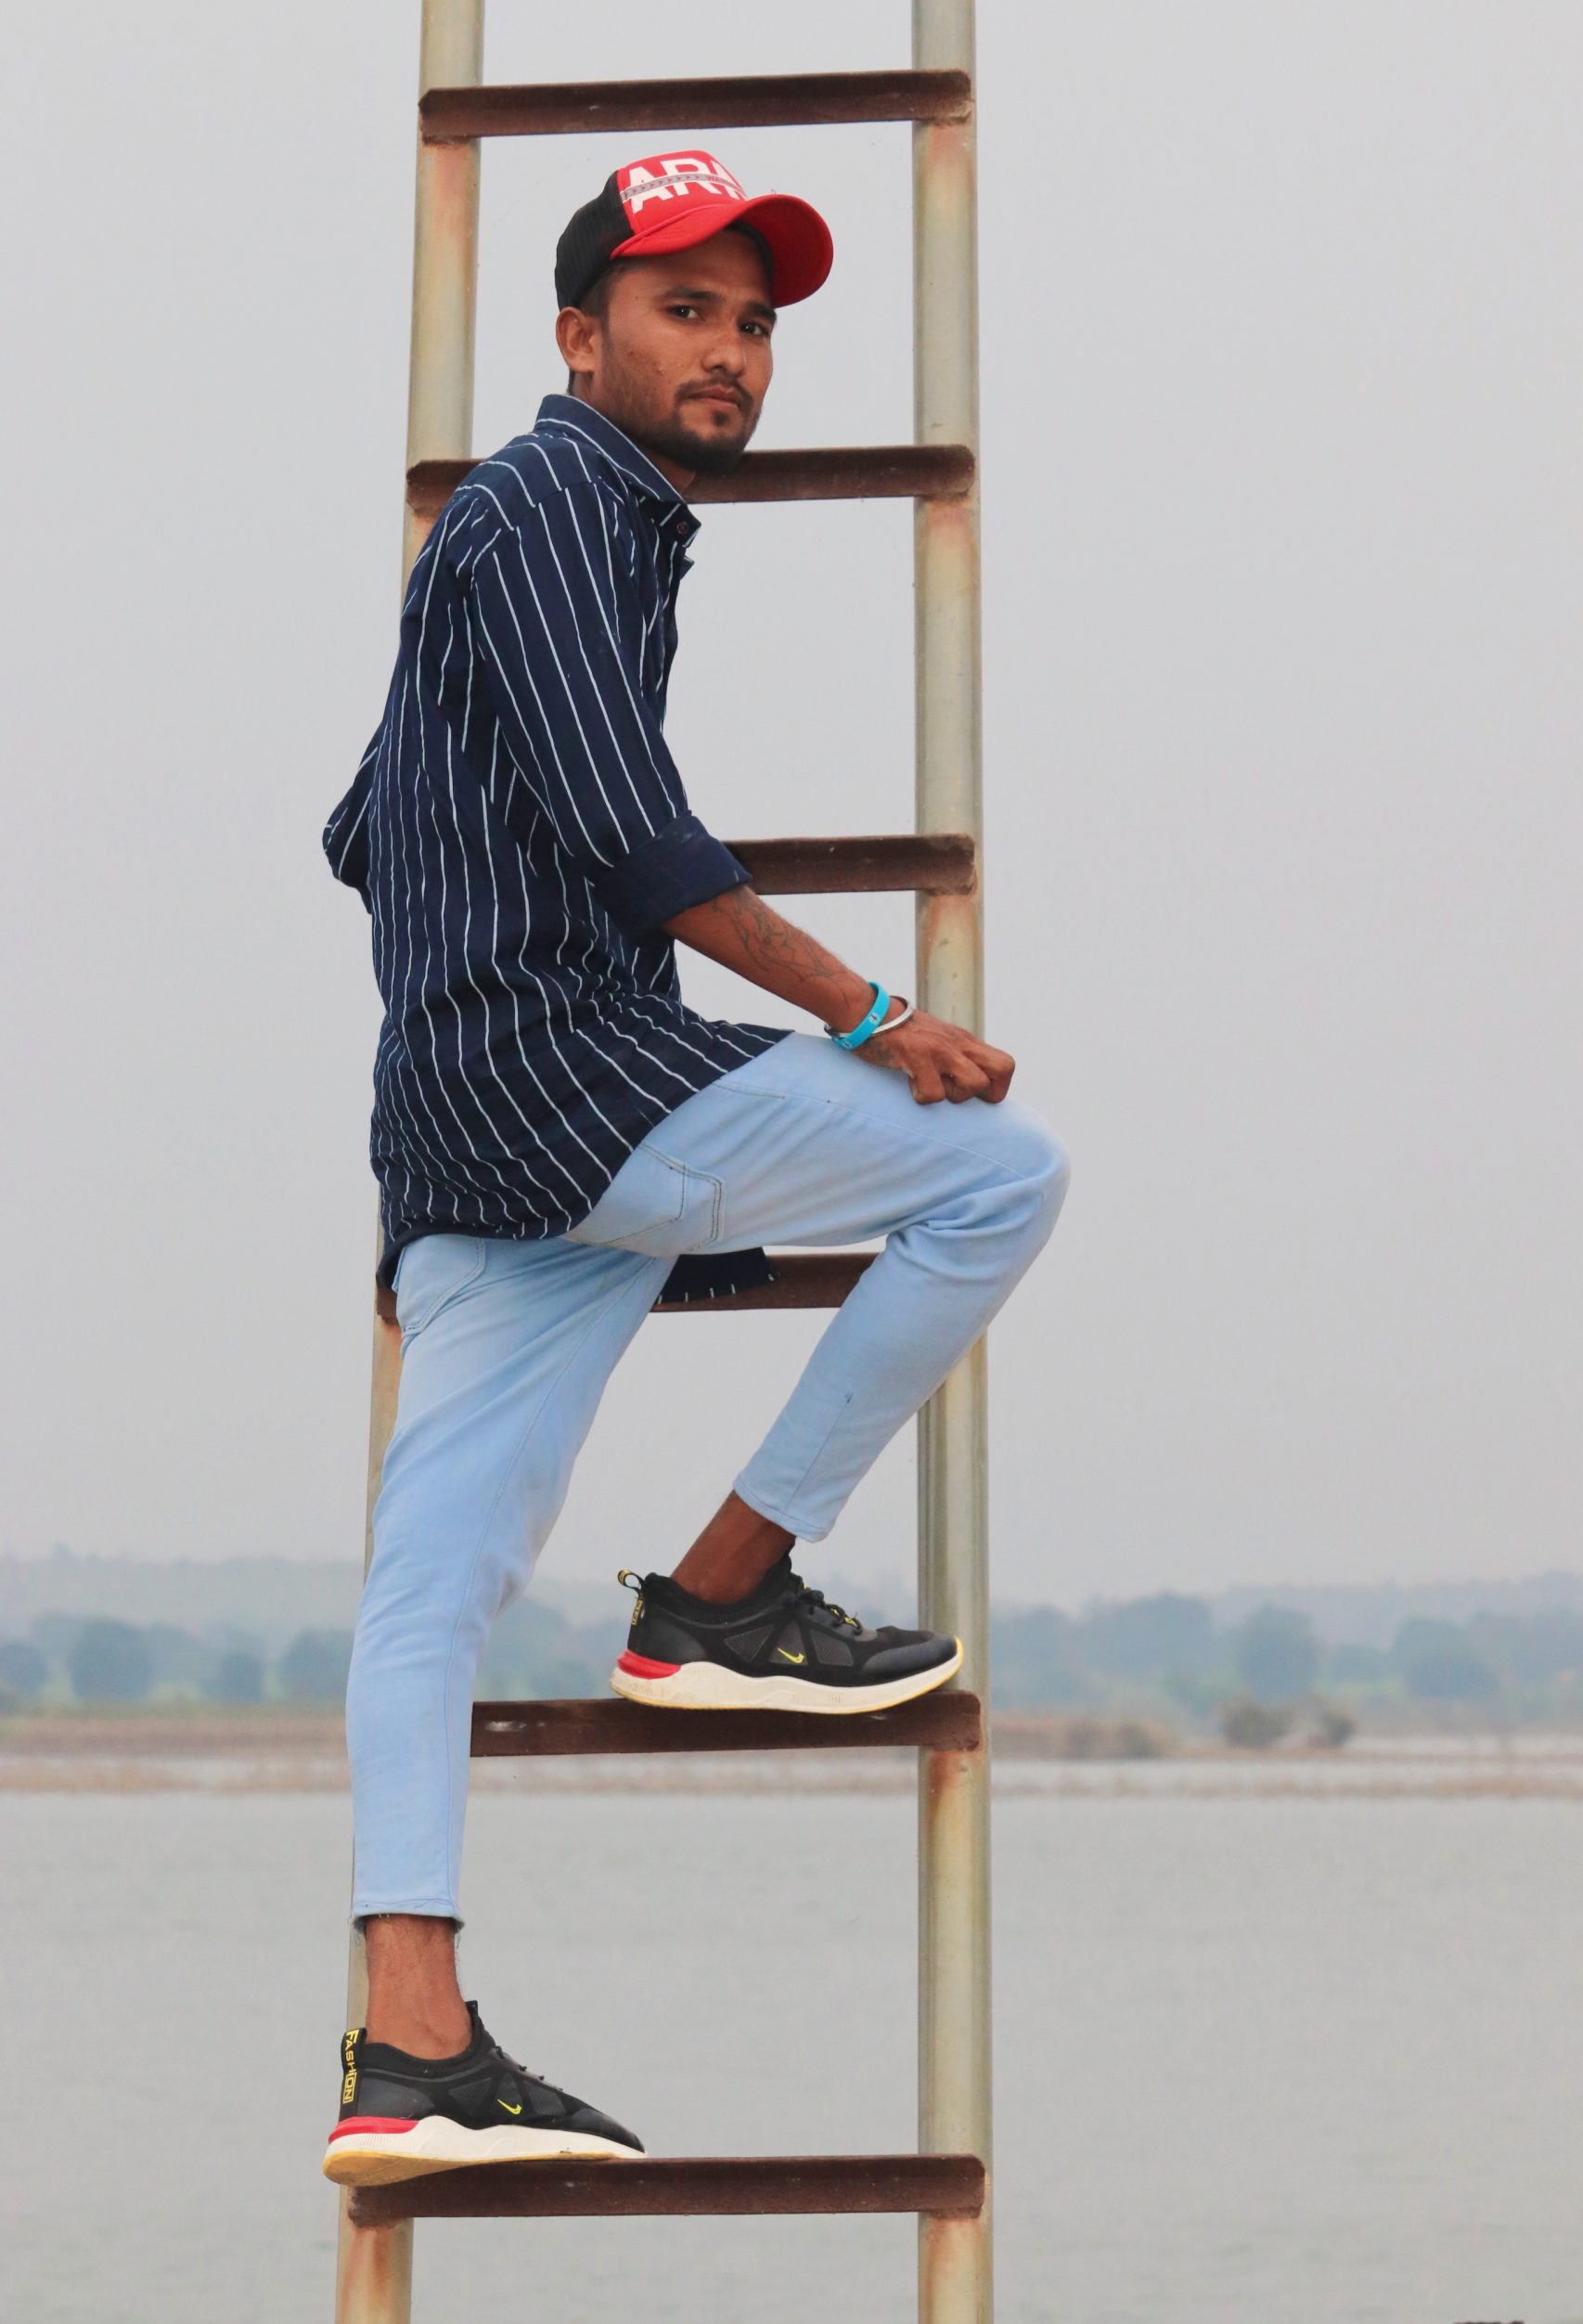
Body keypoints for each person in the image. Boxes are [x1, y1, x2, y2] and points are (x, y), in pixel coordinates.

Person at [320, 148, 1070, 2188]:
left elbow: (364, 825)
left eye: (750, 323)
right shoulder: (562, 498)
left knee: (428, 1584)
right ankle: (727, 1591)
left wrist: (434, 1132)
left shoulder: (533, 529)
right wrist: (866, 1012)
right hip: (572, 1073)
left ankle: (408, 2048)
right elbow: (641, 842)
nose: (728, 352)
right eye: (683, 312)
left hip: (476, 1129)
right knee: (996, 1170)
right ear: (581, 339)